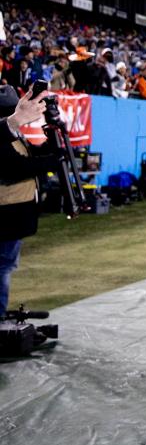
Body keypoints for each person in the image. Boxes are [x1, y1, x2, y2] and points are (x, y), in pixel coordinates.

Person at [0, 84, 57, 317]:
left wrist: (51, 136)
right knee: (3, 268)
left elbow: (30, 156)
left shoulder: (11, 134)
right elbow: (15, 168)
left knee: (5, 266)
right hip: (6, 215)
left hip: (14, 214)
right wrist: (52, 162)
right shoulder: (4, 135)